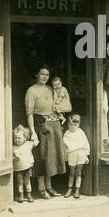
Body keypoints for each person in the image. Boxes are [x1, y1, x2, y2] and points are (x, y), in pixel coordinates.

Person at [25, 65, 66, 199]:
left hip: (53, 123)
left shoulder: (50, 88)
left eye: (47, 75)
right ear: (37, 75)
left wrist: (60, 115)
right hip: (40, 124)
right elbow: (29, 113)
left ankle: (50, 187)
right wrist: (33, 132)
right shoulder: (31, 91)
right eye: (42, 74)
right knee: (43, 156)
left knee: (52, 157)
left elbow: (56, 105)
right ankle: (42, 188)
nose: (45, 77)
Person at [63, 114, 90, 199]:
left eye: (75, 125)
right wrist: (65, 155)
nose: (73, 127)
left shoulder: (81, 132)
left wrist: (86, 155)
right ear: (68, 125)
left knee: (78, 173)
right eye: (70, 125)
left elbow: (86, 144)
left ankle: (77, 190)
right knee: (71, 173)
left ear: (78, 125)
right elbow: (64, 145)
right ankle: (69, 188)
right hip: (71, 154)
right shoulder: (66, 134)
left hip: (81, 153)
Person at [12, 124, 39, 203]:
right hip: (18, 168)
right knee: (20, 182)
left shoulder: (28, 144)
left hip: (27, 167)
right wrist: (13, 158)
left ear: (25, 138)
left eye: (19, 138)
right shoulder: (12, 147)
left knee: (27, 181)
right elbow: (9, 158)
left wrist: (34, 137)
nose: (17, 140)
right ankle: (21, 195)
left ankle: (29, 195)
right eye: (15, 138)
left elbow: (36, 143)